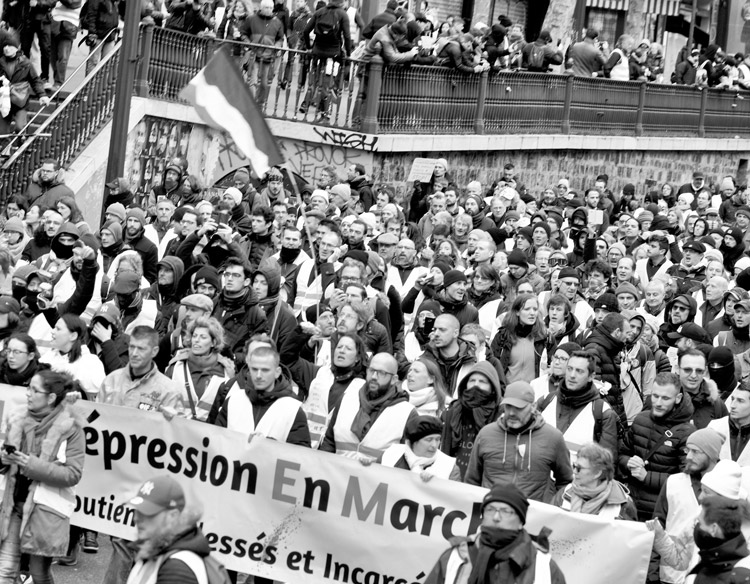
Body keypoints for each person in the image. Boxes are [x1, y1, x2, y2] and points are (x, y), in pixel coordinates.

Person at [0, 370, 84, 584]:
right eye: (28, 388)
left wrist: (31, 465)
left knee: (39, 574)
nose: (28, 393)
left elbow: (73, 473)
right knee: (5, 570)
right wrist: (4, 459)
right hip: (14, 504)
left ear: (51, 398)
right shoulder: (17, 418)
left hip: (45, 511)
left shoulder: (71, 428)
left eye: (34, 390)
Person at [425, 483, 566, 584]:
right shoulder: (456, 557)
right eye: (490, 509)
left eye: (505, 511)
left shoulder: (543, 567)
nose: (496, 517)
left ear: (520, 522)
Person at [465, 380, 573, 502]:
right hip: (492, 513)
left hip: (534, 516)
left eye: (518, 408)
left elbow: (566, 482)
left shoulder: (553, 438)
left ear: (533, 407)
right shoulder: (486, 434)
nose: (511, 413)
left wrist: (552, 507)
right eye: (508, 406)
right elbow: (471, 481)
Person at [619, 372, 696, 521]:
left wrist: (647, 477)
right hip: (630, 506)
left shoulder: (686, 432)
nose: (658, 402)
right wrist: (628, 462)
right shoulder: (641, 418)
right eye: (655, 396)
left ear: (678, 399)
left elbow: (686, 479)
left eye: (665, 398)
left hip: (660, 512)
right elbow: (621, 454)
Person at [319, 352, 418, 461]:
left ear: (394, 379)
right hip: (336, 474)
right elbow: (329, 442)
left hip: (376, 477)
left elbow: (408, 459)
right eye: (371, 371)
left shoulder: (406, 413)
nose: (374, 377)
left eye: (382, 373)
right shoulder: (346, 399)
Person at [124, 475, 213, 584]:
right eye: (137, 511)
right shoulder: (154, 551)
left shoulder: (177, 570)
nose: (136, 518)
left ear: (173, 516)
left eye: (147, 512)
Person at [214, 346, 310, 446]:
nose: (259, 375)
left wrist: (269, 446)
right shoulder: (233, 401)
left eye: (265, 370)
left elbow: (300, 456)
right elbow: (215, 442)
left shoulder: (293, 410)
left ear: (277, 372)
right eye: (254, 369)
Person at [538, 350, 618, 461]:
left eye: (579, 371)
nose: (572, 375)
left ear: (591, 376)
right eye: (569, 369)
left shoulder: (602, 412)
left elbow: (605, 464)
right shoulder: (546, 400)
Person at [552, 442, 637, 520]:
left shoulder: (623, 505)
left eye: (579, 468)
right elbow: (547, 526)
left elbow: (628, 535)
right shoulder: (566, 492)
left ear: (597, 473)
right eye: (574, 466)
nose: (574, 471)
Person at [39, 313, 105, 399]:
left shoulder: (90, 360)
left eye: (58, 329)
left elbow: (98, 388)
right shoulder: (49, 356)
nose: (52, 331)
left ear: (73, 336)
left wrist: (69, 369)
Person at [381, 415, 461, 481]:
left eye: (437, 439)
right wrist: (368, 465)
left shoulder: (449, 467)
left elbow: (454, 497)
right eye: (428, 440)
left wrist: (436, 484)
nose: (434, 445)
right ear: (412, 442)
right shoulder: (392, 454)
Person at [0, 34, 50, 138]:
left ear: (16, 47)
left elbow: (35, 80)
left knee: (20, 127)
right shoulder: (0, 62)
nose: (7, 48)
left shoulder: (25, 63)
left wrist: (42, 95)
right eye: (5, 46)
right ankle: (6, 151)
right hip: (3, 101)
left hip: (20, 101)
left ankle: (20, 146)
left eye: (10, 46)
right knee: (2, 131)